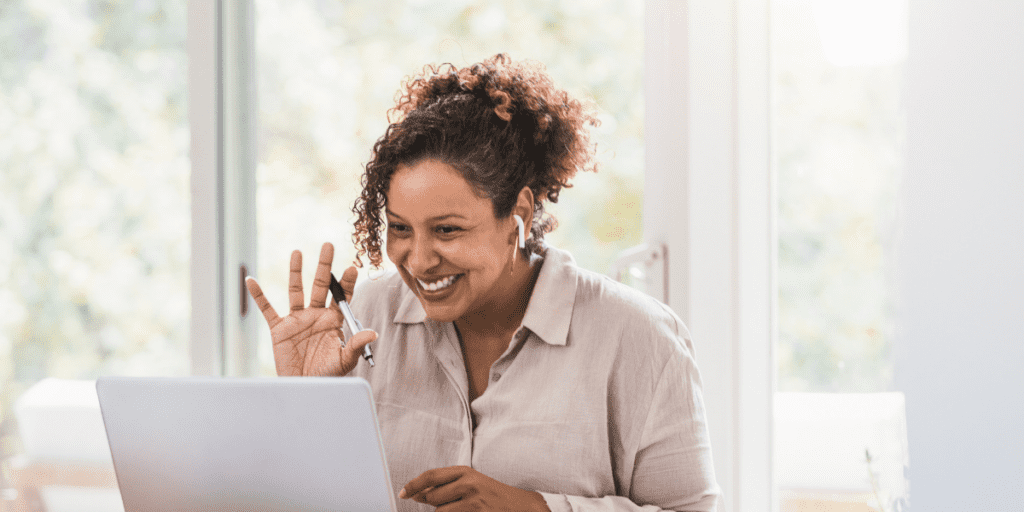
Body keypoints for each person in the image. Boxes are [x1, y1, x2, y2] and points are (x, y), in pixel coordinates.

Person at [244, 54, 720, 512]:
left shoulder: (638, 337)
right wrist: (304, 404)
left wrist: (536, 508)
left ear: (519, 215)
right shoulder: (365, 317)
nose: (419, 260)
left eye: (448, 230)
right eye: (401, 228)